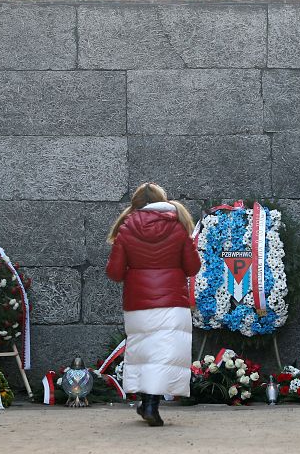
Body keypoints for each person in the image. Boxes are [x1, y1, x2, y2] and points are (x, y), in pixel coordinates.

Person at [105, 183, 201, 427]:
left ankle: (146, 404)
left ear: (136, 204)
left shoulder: (126, 229)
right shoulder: (178, 227)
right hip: (171, 302)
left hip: (138, 303)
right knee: (163, 355)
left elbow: (115, 273)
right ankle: (151, 406)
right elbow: (193, 268)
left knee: (144, 354)